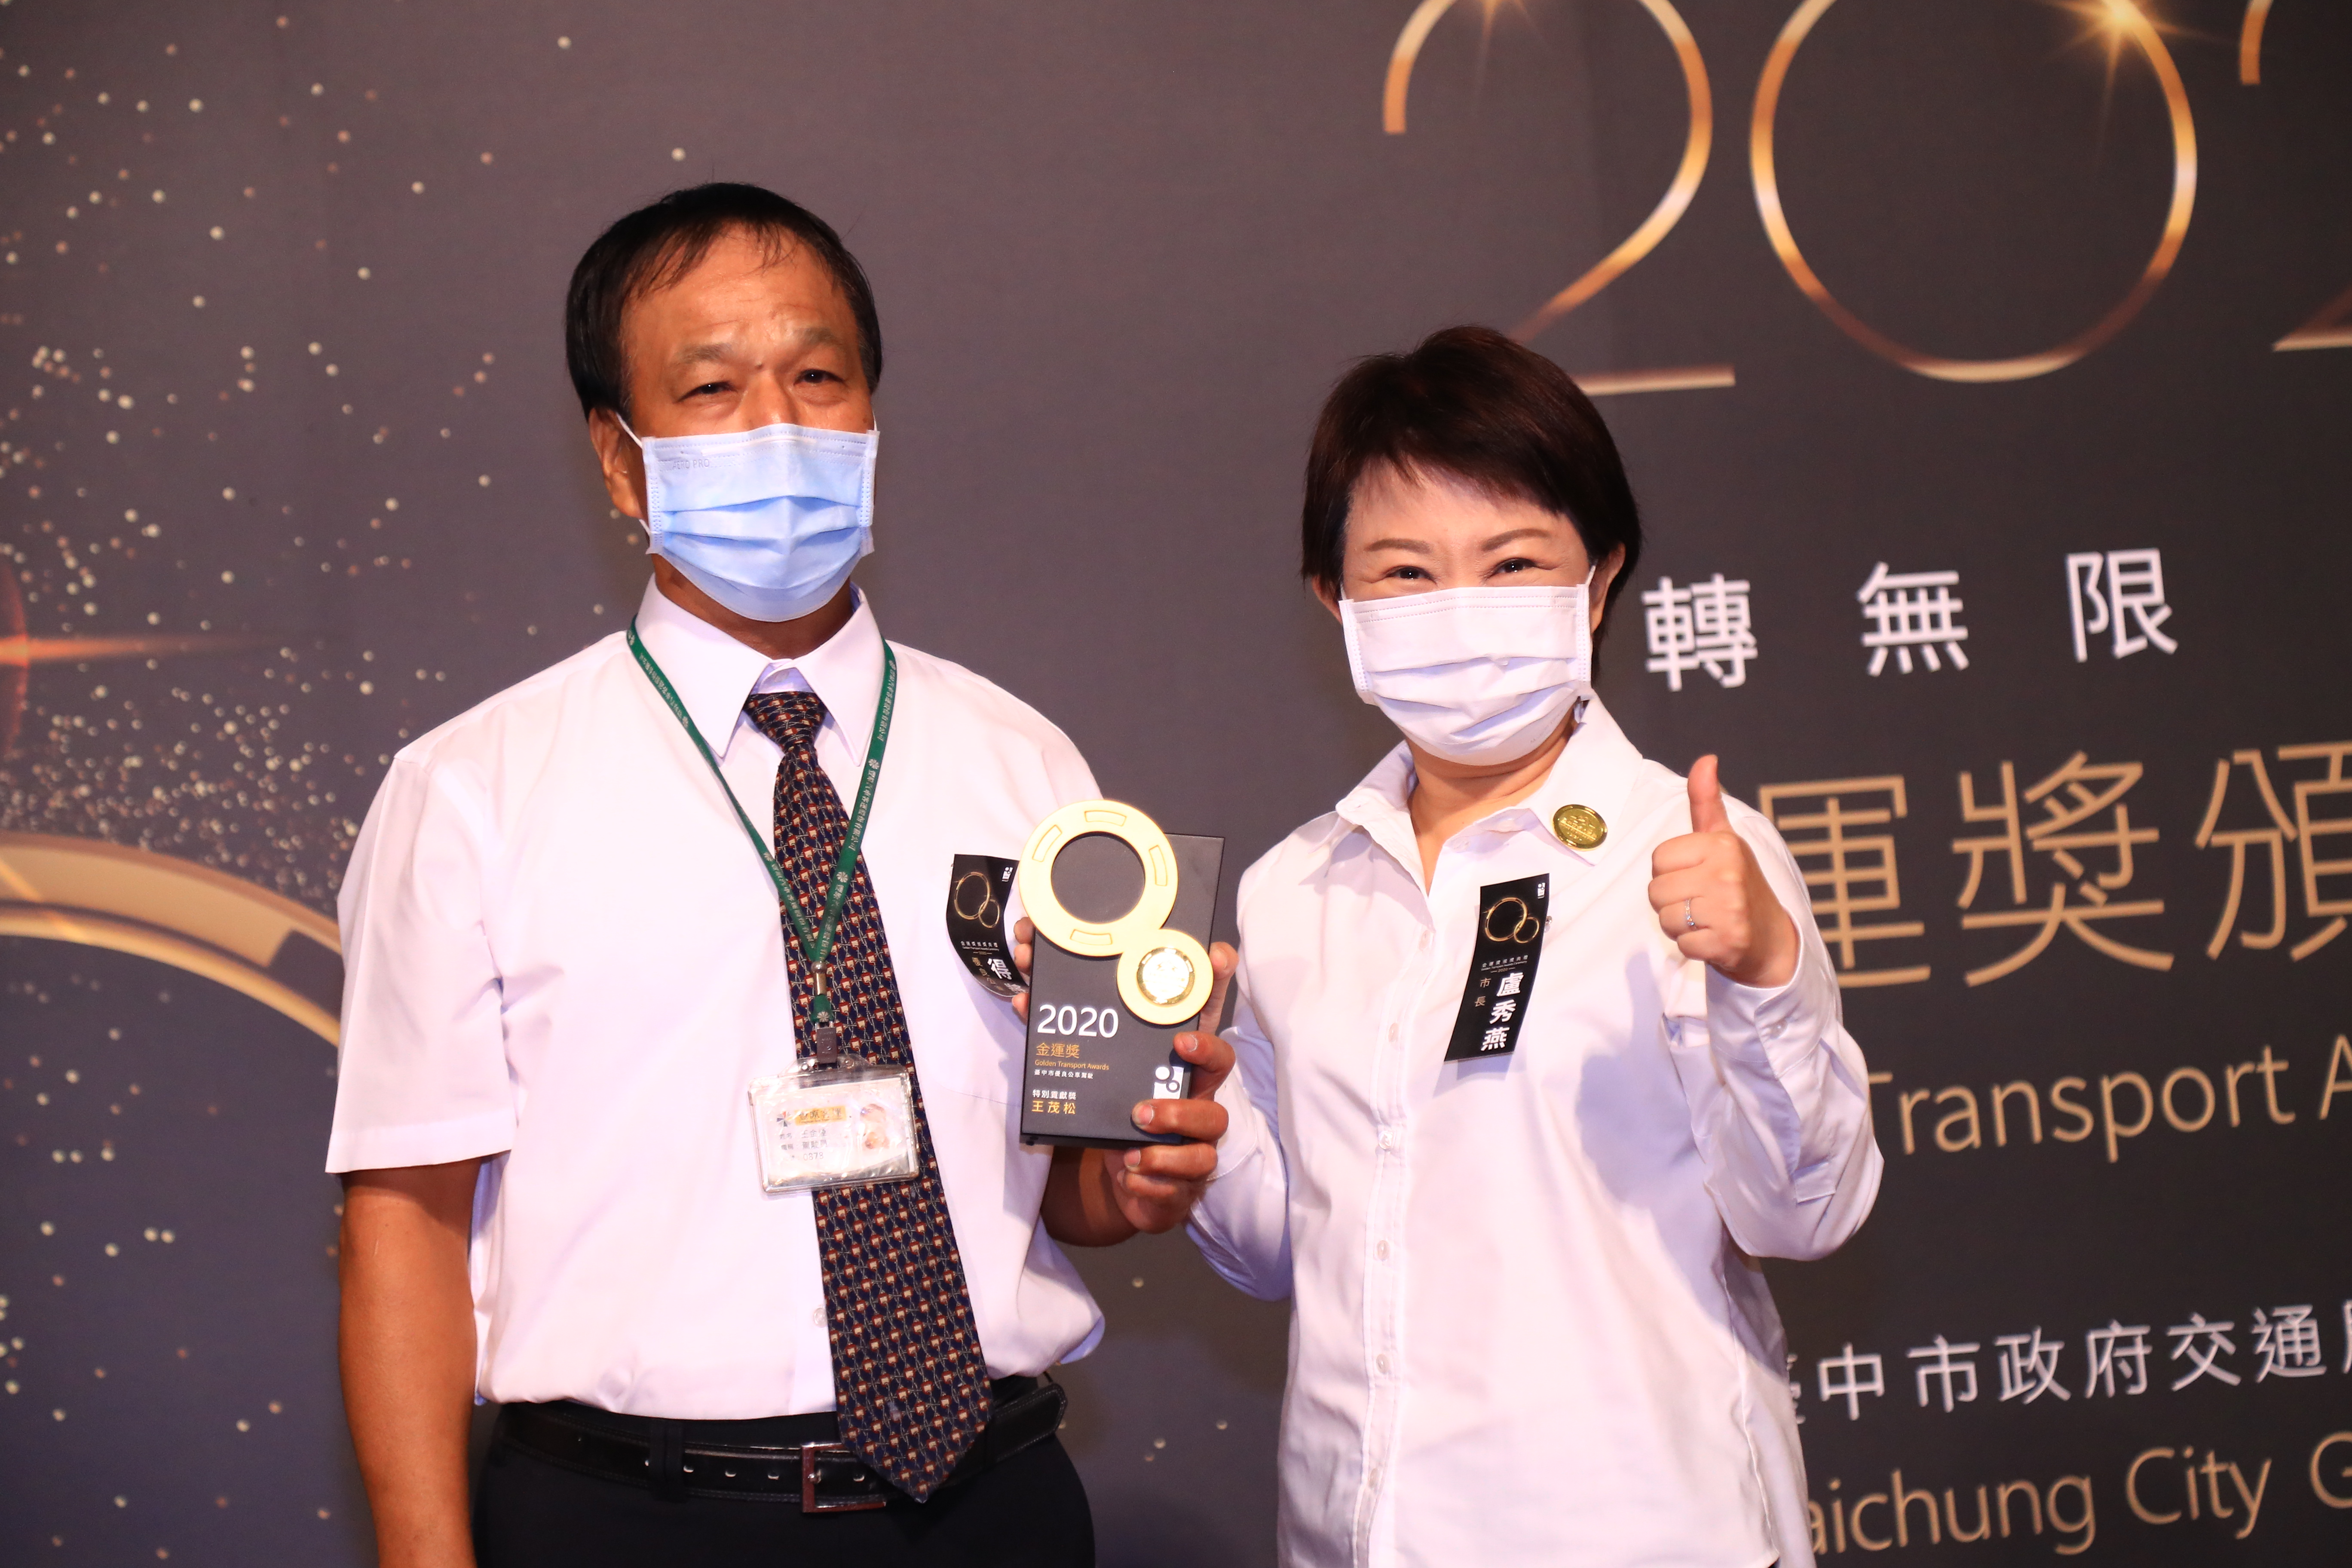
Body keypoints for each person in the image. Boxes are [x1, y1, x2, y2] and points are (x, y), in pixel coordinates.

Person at [326, 183, 1236, 1568]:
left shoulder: (1023, 760)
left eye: (819, 377)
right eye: (712, 387)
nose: (778, 424)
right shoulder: (471, 788)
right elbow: (406, 1217)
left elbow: (1068, 1188)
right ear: (621, 459)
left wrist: (1138, 1178)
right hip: (629, 1522)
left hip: (990, 1511)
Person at [1186, 326, 1882, 1567]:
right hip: (1358, 1538)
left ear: (1598, 581)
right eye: (1406, 572)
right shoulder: (1299, 886)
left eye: (1511, 563)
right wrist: (1193, 1097)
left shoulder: (1691, 855)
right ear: (1336, 602)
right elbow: (1284, 1250)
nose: (1459, 608)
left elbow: (1804, 1215)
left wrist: (1765, 972)